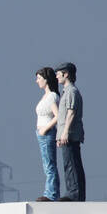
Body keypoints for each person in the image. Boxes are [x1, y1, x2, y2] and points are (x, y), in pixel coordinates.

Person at [54, 62, 85, 201]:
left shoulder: (71, 91)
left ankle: (74, 194)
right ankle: (73, 192)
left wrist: (65, 132)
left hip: (70, 135)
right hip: (66, 134)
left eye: (58, 74)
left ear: (66, 74)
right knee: (69, 164)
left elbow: (71, 113)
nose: (56, 77)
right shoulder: (66, 92)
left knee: (72, 164)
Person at [34, 67, 61, 201]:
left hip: (47, 133)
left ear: (46, 79)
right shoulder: (45, 96)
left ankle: (51, 194)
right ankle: (51, 192)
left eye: (39, 78)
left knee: (50, 165)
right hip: (41, 134)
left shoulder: (52, 96)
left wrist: (45, 129)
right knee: (46, 164)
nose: (37, 81)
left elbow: (58, 116)